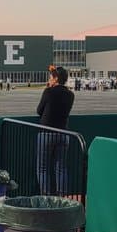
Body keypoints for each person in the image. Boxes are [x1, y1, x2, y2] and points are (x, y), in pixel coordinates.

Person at [36, 66, 75, 195]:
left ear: (56, 78)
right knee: (62, 168)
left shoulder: (48, 92)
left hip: (47, 132)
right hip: (64, 133)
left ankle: (46, 197)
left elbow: (39, 110)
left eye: (51, 77)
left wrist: (48, 88)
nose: (49, 79)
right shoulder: (70, 95)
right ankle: (62, 197)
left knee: (43, 168)